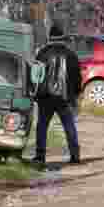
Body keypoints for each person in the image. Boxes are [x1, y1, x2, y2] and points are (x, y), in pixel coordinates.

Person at [32, 22, 82, 170]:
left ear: (50, 37)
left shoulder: (42, 53)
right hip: (64, 97)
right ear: (63, 37)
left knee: (42, 127)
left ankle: (40, 156)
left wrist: (35, 93)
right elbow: (76, 77)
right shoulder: (71, 54)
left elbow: (36, 76)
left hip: (45, 97)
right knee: (69, 126)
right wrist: (76, 94)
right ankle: (74, 155)